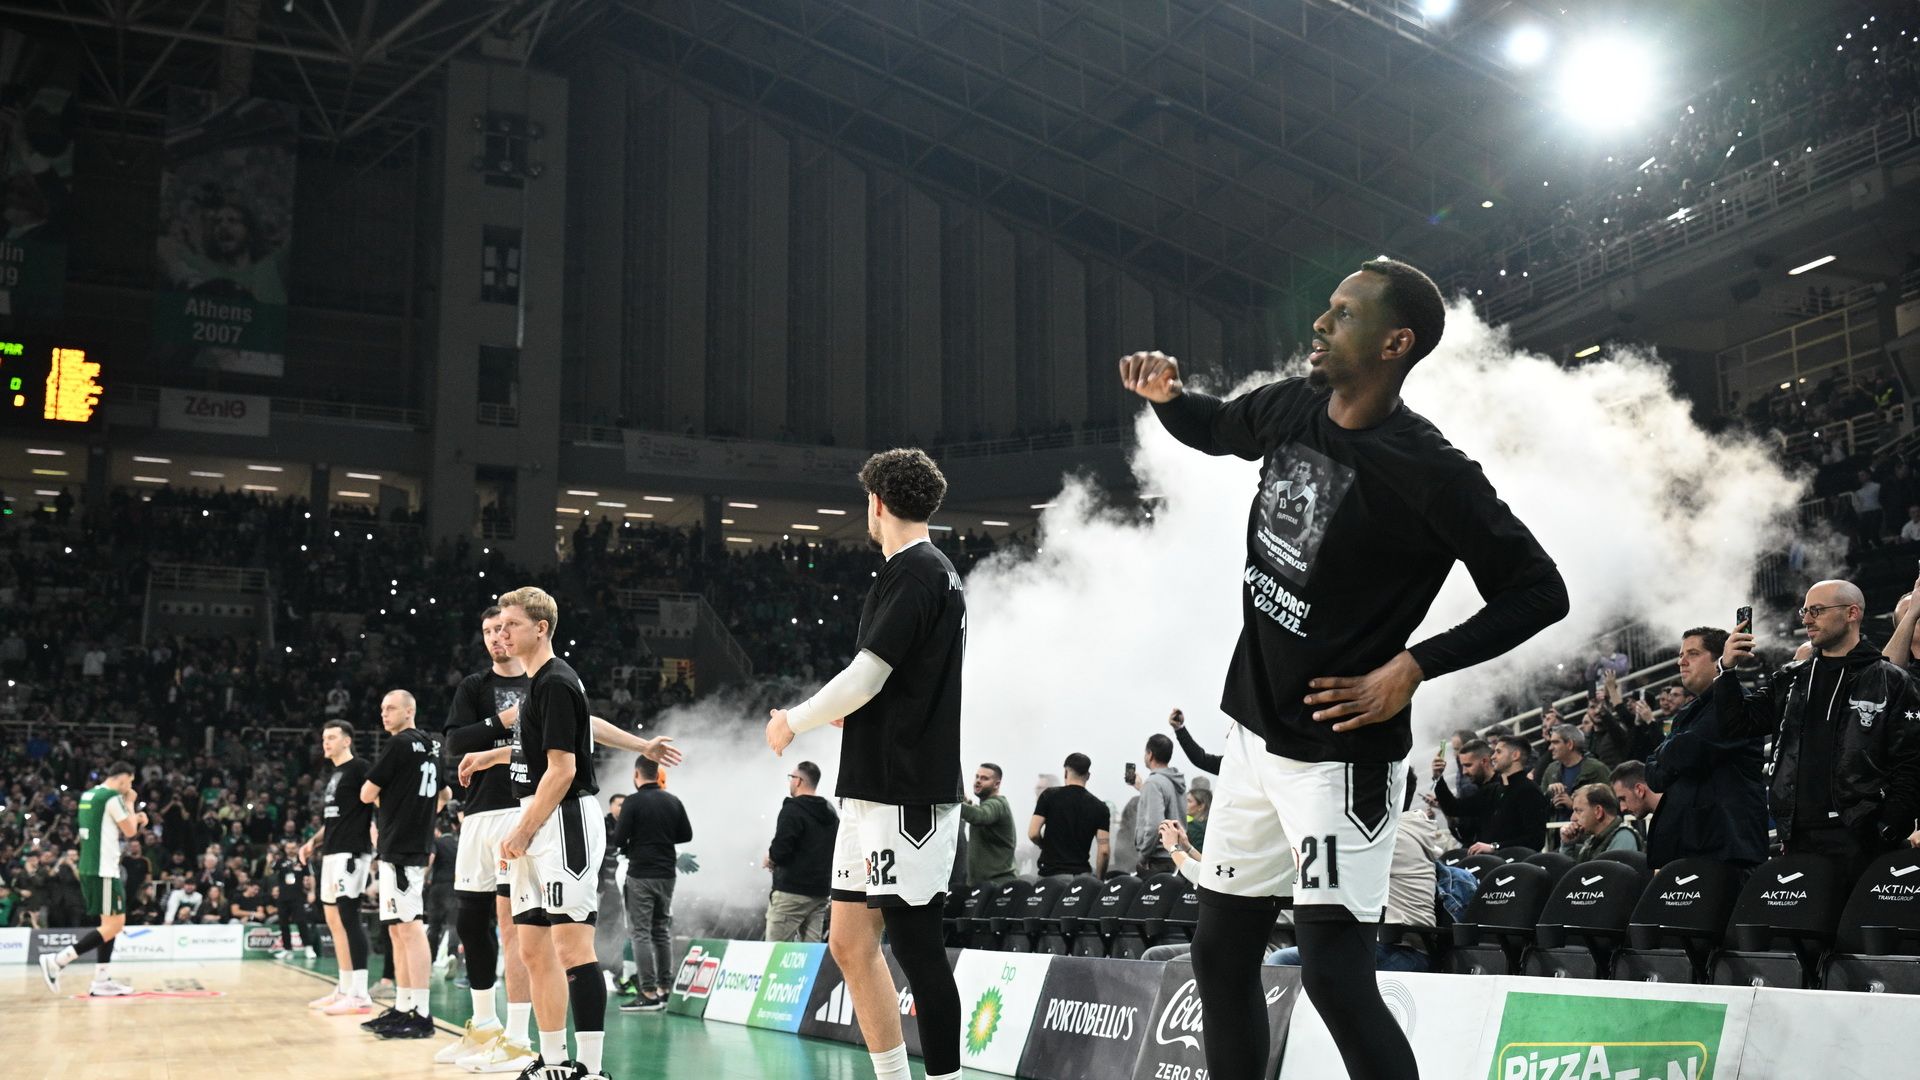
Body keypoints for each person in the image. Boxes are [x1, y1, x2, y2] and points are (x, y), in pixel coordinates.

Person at [1121, 257, 1568, 1080]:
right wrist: (1170, 400)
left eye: (1344, 314)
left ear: (1396, 344)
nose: (1321, 325)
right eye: (1326, 308)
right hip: (1253, 737)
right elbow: (1215, 428)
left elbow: (1540, 591)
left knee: (1334, 977)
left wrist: (1416, 665)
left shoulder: (1433, 470)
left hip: (1340, 758)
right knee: (1219, 956)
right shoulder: (1293, 404)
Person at [765, 448, 968, 1080]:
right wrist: (855, 712)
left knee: (918, 948)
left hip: (908, 792)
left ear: (876, 503)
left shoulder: (917, 571)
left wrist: (793, 719)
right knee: (850, 943)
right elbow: (892, 680)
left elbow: (867, 674)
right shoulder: (919, 572)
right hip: (874, 785)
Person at [449, 604, 684, 1073]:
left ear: (540, 628)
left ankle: (591, 1069)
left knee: (571, 949)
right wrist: (490, 758)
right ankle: (553, 1061)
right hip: (535, 817)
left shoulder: (556, 680)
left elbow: (562, 769)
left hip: (562, 820)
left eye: (512, 625)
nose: (502, 633)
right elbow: (578, 728)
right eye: (497, 626)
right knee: (533, 950)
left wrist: (521, 830)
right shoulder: (539, 682)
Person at [1718, 579, 1920, 885]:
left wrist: (1888, 827)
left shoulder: (1890, 679)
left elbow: (1910, 762)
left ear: (1852, 613)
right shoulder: (1791, 678)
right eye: (1805, 611)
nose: (1807, 619)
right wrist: (1727, 670)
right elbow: (1735, 724)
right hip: (1799, 837)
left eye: (1817, 610)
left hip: (1862, 838)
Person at [358, 689, 449, 1040]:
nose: (384, 714)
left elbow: (366, 793)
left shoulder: (398, 744)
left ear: (410, 711)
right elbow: (445, 795)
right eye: (382, 708)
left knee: (409, 929)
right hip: (410, 843)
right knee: (398, 929)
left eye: (391, 708)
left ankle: (422, 1014)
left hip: (400, 846)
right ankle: (403, 1005)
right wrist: (421, 817)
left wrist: (397, 812)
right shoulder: (432, 746)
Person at [1641, 627, 1768, 869]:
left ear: (1719, 659)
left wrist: (1666, 751)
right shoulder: (1687, 712)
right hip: (1690, 847)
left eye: (1693, 653)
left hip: (1725, 850)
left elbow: (1688, 751)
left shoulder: (1736, 703)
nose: (1681, 661)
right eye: (1681, 655)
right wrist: (1670, 751)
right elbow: (1654, 776)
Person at [38, 761, 148, 995]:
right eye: (129, 782)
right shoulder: (112, 797)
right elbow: (130, 831)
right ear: (122, 778)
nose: (129, 787)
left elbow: (107, 825)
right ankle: (58, 960)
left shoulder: (89, 795)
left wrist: (134, 817)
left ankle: (101, 980)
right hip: (103, 869)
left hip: (91, 866)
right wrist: (131, 803)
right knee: (115, 925)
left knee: (109, 925)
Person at [303, 719, 376, 1016]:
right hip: (331, 851)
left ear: (347, 740)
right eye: (324, 738)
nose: (326, 743)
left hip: (351, 852)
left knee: (349, 917)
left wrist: (377, 833)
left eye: (332, 737)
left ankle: (360, 993)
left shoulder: (360, 767)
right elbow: (334, 819)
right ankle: (344, 988)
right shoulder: (334, 774)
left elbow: (378, 801)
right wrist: (312, 841)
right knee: (333, 920)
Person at [612, 755, 693, 1012]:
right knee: (661, 931)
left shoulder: (632, 802)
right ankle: (664, 990)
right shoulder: (673, 800)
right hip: (666, 874)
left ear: (637, 775)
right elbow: (686, 834)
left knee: (640, 933)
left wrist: (636, 839)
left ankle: (647, 993)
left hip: (640, 874)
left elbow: (618, 839)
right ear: (657, 775)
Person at [1434, 737, 1552, 853]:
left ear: (1515, 755)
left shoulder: (1529, 791)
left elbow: (1536, 840)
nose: (1493, 757)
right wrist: (1438, 777)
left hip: (1515, 862)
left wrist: (1495, 847)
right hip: (1489, 862)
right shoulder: (1492, 790)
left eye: (1498, 752)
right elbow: (1453, 808)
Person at [765, 760, 837, 943]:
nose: (790, 781)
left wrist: (770, 858)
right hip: (820, 892)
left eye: (791, 777)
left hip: (791, 892)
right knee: (809, 953)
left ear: (798, 780)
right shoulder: (830, 812)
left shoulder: (793, 809)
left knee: (775, 951)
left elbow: (781, 849)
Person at [1029, 753, 1111, 878]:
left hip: (1050, 877)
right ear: (1088, 776)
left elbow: (1033, 833)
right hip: (1081, 878)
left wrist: (1044, 845)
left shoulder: (1049, 796)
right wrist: (1099, 880)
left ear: (1065, 772)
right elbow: (1104, 851)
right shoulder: (1100, 807)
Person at [1539, 724, 1610, 833]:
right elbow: (1539, 807)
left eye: (1555, 742)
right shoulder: (1551, 770)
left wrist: (1574, 805)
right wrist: (1549, 795)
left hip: (1587, 836)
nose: (1550, 747)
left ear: (1570, 744)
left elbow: (1610, 806)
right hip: (1556, 836)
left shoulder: (1597, 769)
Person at [1134, 735, 1186, 876]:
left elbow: (1155, 826)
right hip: (1177, 856)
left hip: (1159, 861)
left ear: (1150, 754)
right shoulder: (1176, 782)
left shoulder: (1153, 783)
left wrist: (1142, 857)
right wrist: (1142, 789)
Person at [959, 763, 1016, 886]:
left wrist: (954, 803)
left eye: (984, 778)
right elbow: (980, 811)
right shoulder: (988, 806)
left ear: (996, 784)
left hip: (998, 886)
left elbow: (981, 816)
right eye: (977, 777)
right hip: (981, 886)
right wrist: (966, 802)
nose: (978, 781)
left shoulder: (998, 804)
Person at [1561, 784, 1642, 861]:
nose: (1573, 818)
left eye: (1579, 811)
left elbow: (1612, 871)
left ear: (1598, 811)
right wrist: (1567, 845)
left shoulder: (1624, 837)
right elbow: (1575, 871)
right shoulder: (1592, 841)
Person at [269, 840, 315, 959]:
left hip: (298, 896)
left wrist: (312, 892)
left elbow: (311, 876)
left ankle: (308, 947)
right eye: (288, 848)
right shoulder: (280, 861)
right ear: (285, 849)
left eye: (293, 847)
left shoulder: (302, 860)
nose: (290, 850)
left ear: (297, 848)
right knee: (283, 923)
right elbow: (270, 872)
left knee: (301, 922)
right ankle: (287, 949)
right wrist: (270, 860)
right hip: (283, 897)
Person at [1610, 761, 1662, 844]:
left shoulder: (1678, 819)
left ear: (1639, 790)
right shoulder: (1662, 821)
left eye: (1623, 799)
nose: (1622, 808)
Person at [1167, 708, 1222, 774]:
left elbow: (1201, 760)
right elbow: (1200, 759)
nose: (1226, 736)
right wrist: (1179, 728)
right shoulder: (1228, 762)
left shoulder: (1231, 763)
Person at [1184, 787, 1212, 853]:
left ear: (1201, 806)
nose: (1184, 803)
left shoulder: (1194, 827)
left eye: (1189, 801)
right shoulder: (1212, 825)